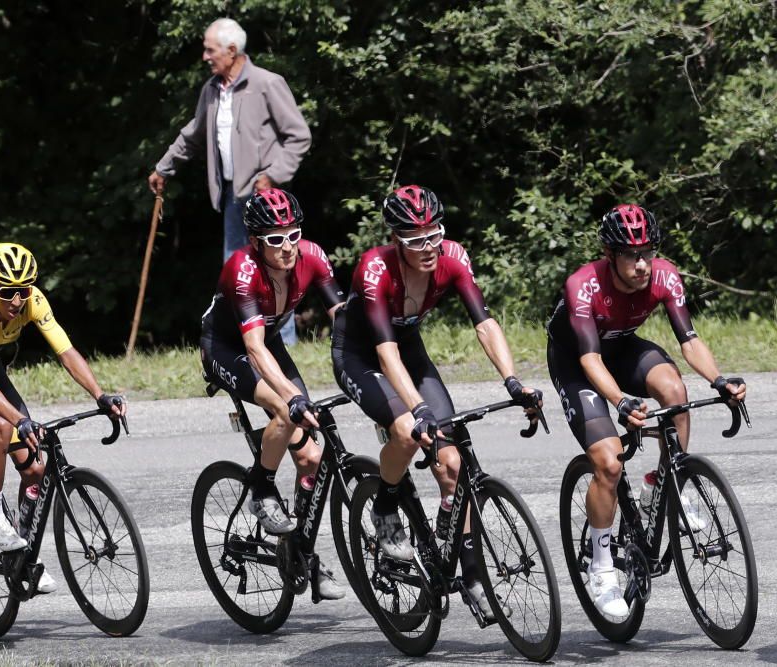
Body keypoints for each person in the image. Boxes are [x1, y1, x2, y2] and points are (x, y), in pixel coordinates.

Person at [331, 185, 540, 615]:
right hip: (360, 355)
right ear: (395, 241)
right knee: (409, 432)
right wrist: (418, 409)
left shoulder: (453, 259)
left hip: (408, 349)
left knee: (454, 462)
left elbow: (484, 324)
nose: (428, 248)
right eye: (415, 240)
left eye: (433, 235)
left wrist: (514, 382)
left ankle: (470, 573)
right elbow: (384, 354)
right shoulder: (375, 270)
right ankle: (386, 506)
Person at [546, 204, 747, 618]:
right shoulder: (582, 286)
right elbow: (589, 361)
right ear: (610, 254)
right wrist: (621, 401)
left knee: (675, 391)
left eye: (648, 252)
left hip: (621, 349)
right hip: (578, 362)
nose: (642, 265)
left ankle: (662, 482)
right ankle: (602, 568)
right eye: (631, 255)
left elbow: (689, 340)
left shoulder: (665, 275)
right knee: (607, 461)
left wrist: (719, 380)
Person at [0, 243, 126, 594]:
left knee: (34, 466)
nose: (17, 300)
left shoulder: (33, 300)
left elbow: (66, 351)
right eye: (8, 292)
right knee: (0, 427)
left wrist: (100, 395)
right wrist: (20, 420)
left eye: (24, 290)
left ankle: (22, 556)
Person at [200, 188, 346, 600]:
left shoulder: (313, 257)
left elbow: (345, 319)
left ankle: (299, 550)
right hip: (227, 348)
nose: (287, 246)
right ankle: (262, 487)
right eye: (275, 238)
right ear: (255, 241)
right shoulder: (241, 269)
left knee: (312, 459)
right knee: (284, 409)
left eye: (293, 234)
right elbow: (255, 349)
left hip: (268, 344)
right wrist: (292, 397)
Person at [149, 17, 312, 343]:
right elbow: (193, 134)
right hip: (233, 195)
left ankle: (285, 342)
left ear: (232, 50)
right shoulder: (211, 91)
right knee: (236, 270)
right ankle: (245, 341)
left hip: (267, 200)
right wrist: (163, 168)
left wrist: (273, 176)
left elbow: (299, 136)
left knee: (277, 268)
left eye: (210, 50)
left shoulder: (267, 83)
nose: (205, 56)